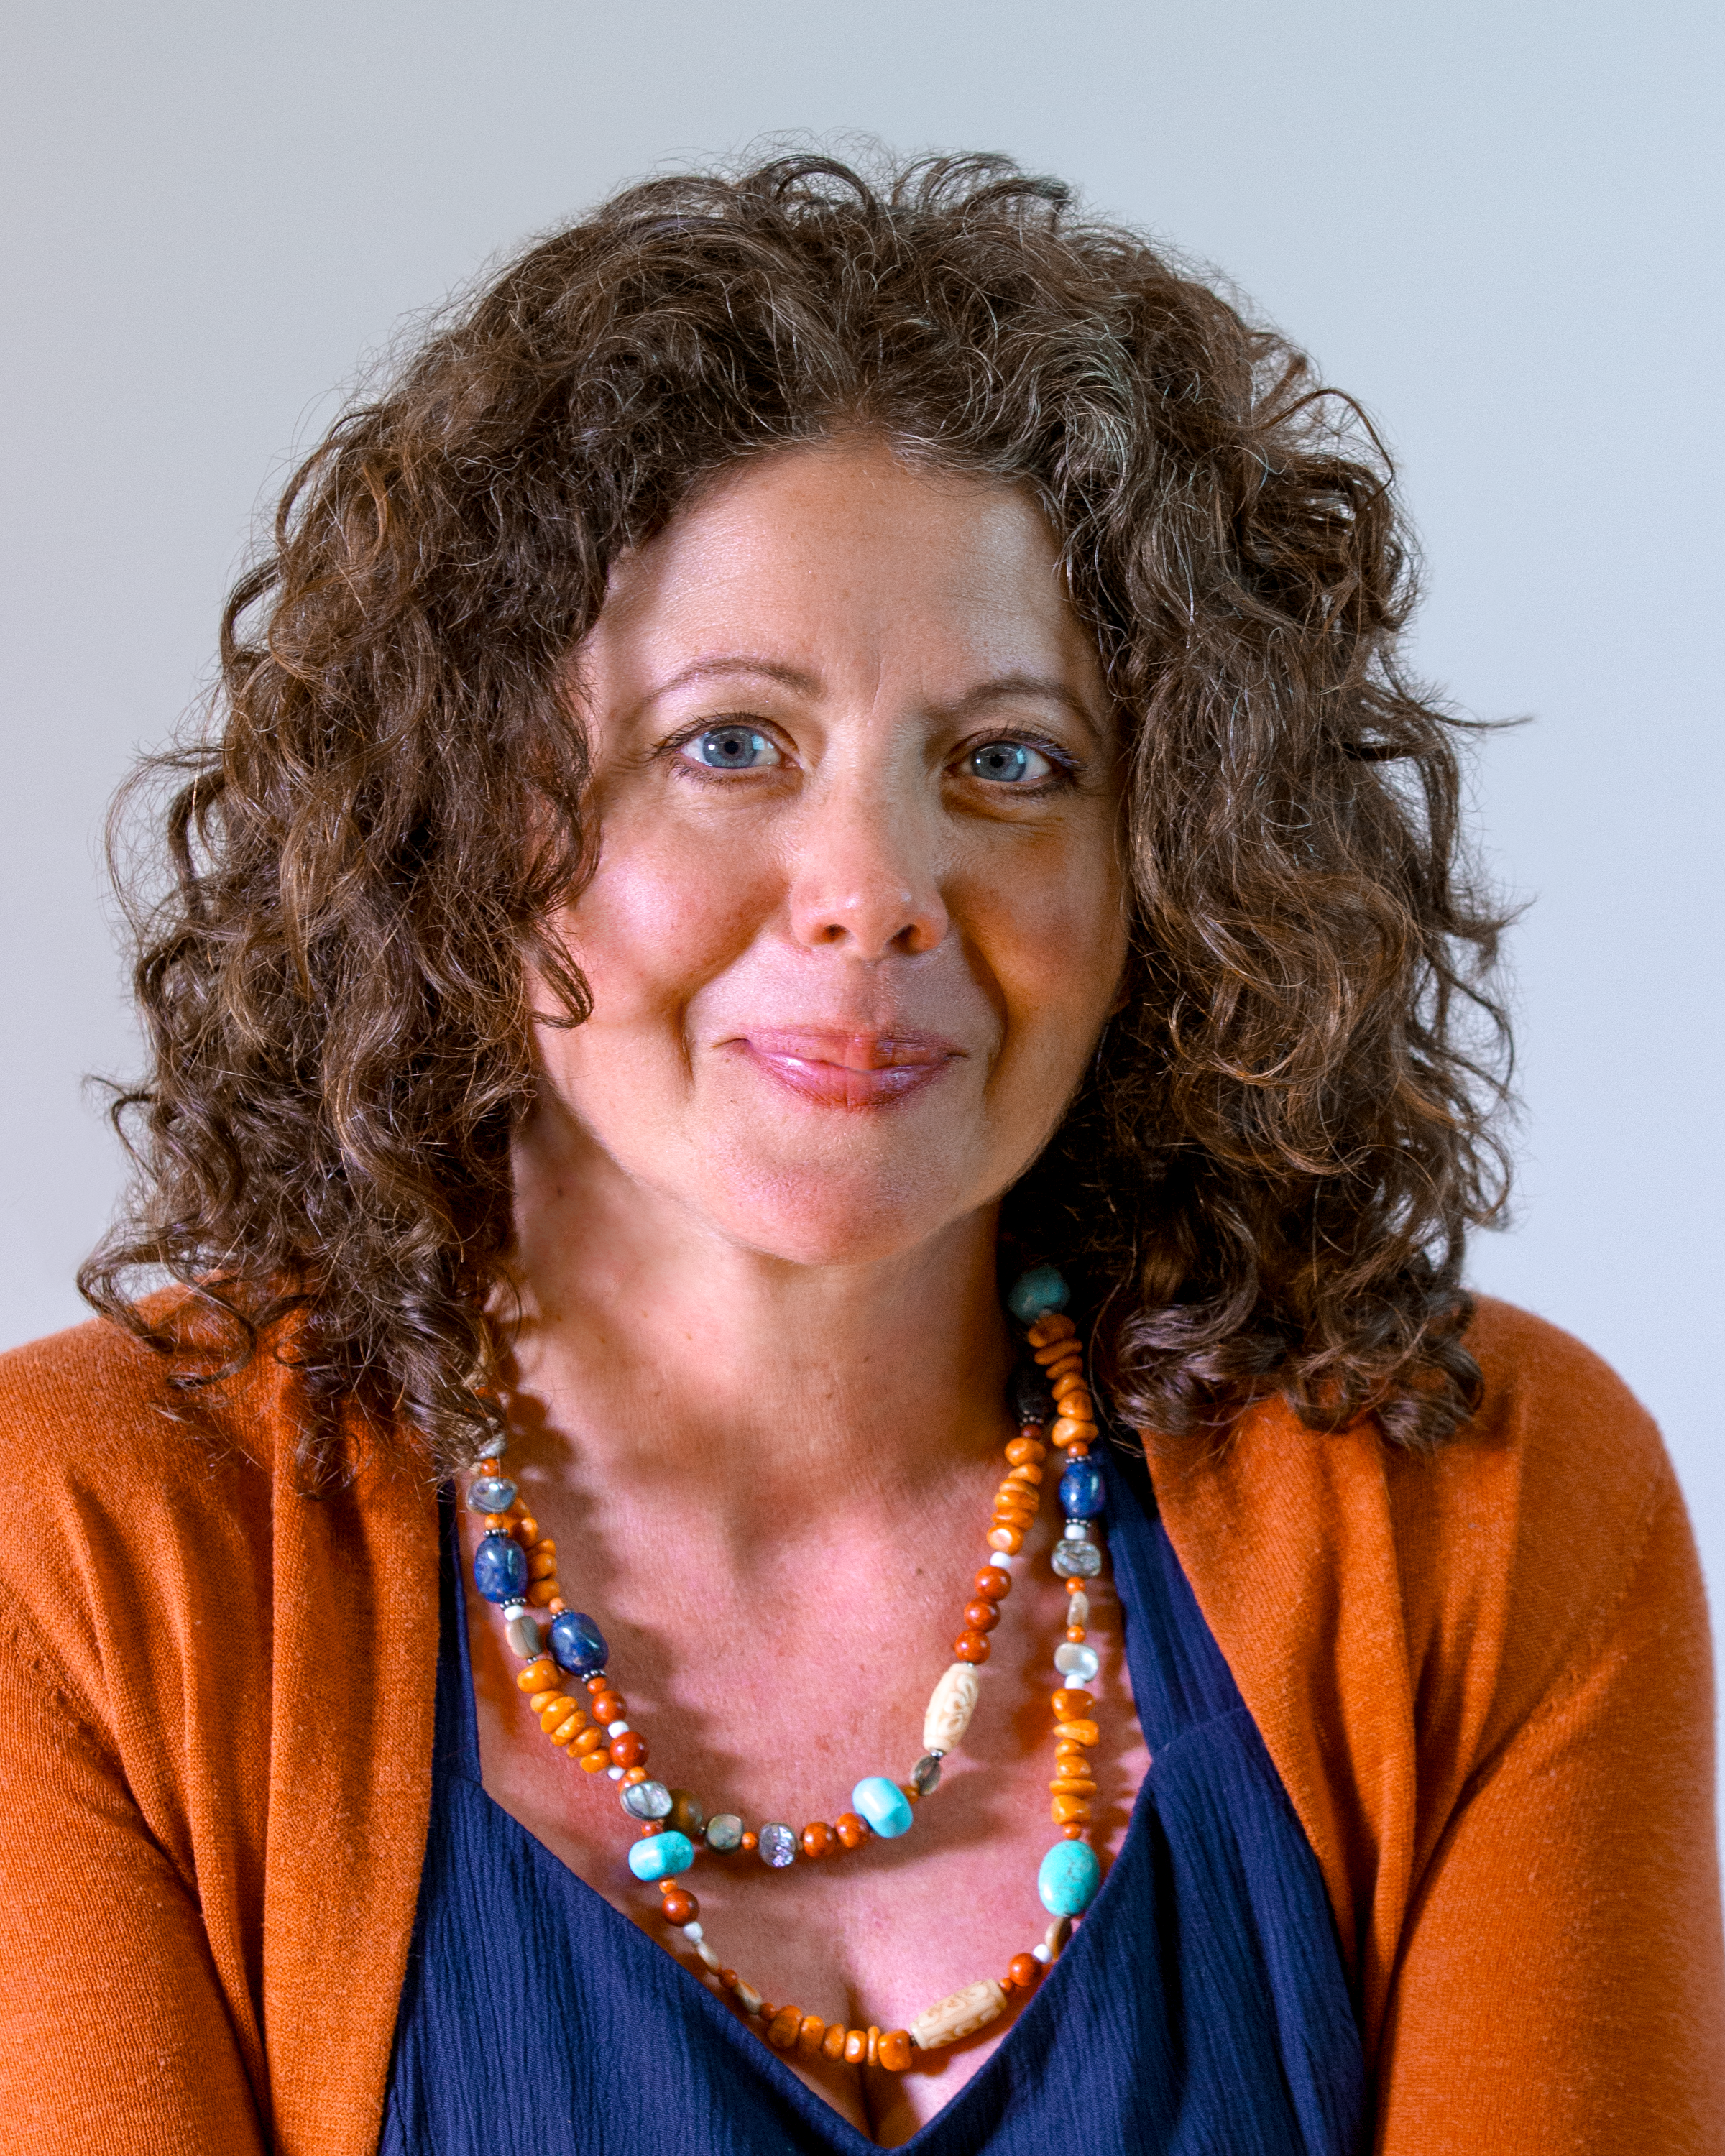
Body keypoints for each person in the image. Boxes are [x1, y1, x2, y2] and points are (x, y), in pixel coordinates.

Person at [0, 152, 1717, 2156]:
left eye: (1011, 763)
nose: (877, 892)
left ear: (1175, 867)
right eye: (731, 743)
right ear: (465, 823)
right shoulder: (94, 1548)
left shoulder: (1486, 1502)